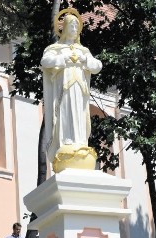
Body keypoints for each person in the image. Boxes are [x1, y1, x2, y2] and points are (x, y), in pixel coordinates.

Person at [41, 9, 102, 163]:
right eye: (71, 26)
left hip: (80, 89)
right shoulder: (55, 49)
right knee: (65, 113)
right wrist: (63, 58)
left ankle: (80, 143)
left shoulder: (84, 51)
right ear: (64, 28)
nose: (74, 30)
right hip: (64, 88)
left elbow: (97, 66)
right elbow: (45, 61)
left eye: (76, 27)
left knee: (80, 115)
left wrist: (84, 59)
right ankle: (65, 144)